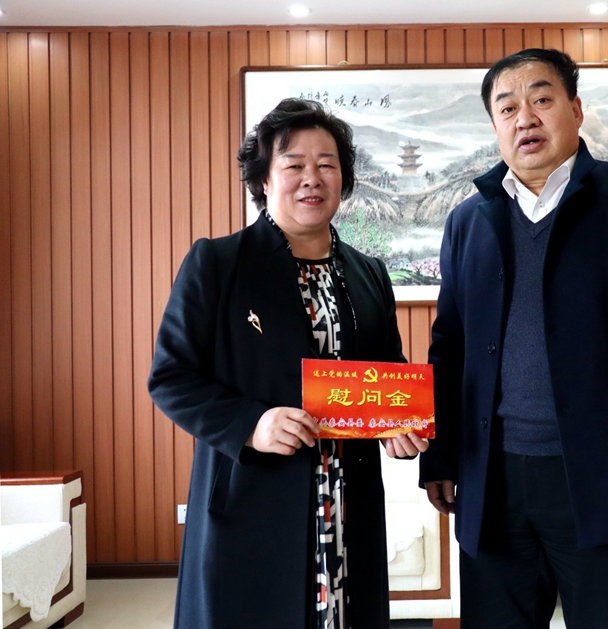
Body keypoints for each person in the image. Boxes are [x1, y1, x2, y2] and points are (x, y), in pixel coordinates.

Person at [419, 49, 608, 628]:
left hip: (600, 473)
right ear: (495, 126)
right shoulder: (468, 220)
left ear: (575, 109)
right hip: (491, 477)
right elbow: (449, 348)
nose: (525, 118)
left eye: (541, 100)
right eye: (507, 108)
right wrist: (439, 458)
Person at [148, 98, 427, 629]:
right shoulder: (219, 263)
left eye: (326, 164)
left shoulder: (369, 273)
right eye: (294, 164)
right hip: (253, 500)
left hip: (346, 502)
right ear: (263, 178)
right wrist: (251, 424)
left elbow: (386, 372)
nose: (311, 178)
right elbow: (171, 377)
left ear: (343, 179)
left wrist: (400, 424)